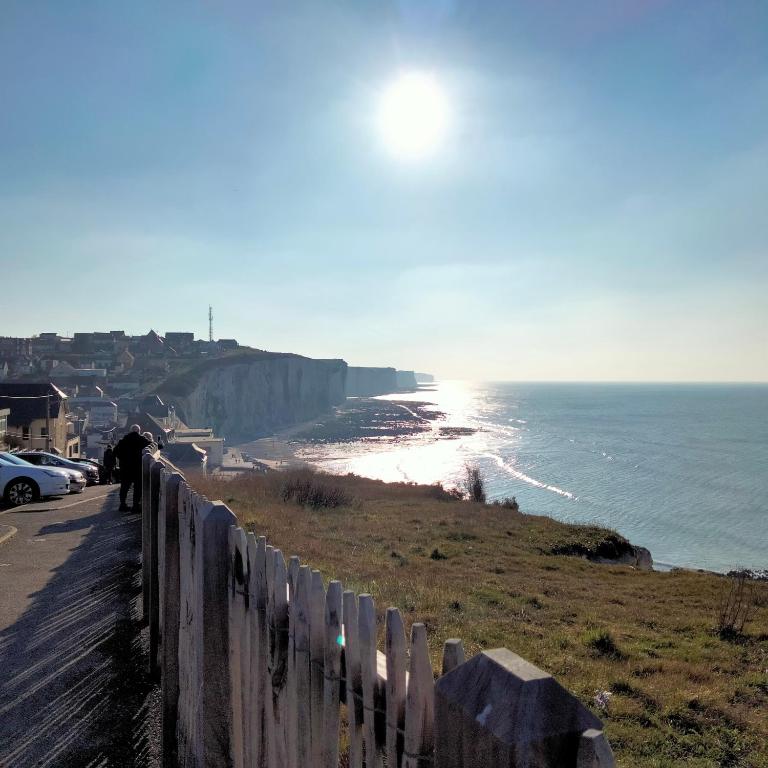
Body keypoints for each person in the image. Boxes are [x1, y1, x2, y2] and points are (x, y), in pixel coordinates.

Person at [114, 424, 151, 512]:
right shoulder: (142, 440)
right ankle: (135, 506)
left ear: (130, 431)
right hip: (137, 468)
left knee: (124, 487)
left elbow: (115, 451)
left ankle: (122, 504)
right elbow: (152, 446)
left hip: (125, 468)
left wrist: (122, 459)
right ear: (139, 431)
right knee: (137, 487)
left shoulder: (123, 440)